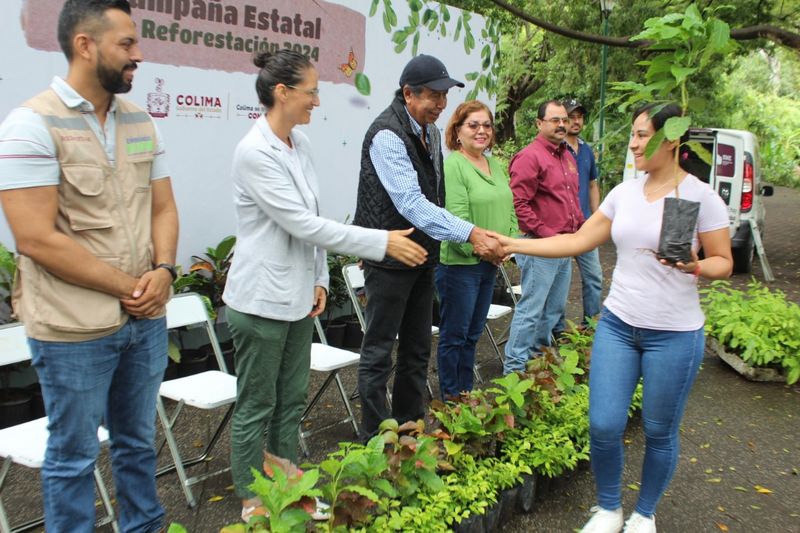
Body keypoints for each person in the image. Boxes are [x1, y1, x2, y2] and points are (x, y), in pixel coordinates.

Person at [491, 102, 732, 533]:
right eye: (634, 135)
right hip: (619, 326)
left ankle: (644, 514)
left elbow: (723, 263)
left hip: (675, 334)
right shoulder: (624, 194)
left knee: (659, 430)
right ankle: (608, 508)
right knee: (603, 423)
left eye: (643, 135)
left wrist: (695, 265)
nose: (634, 143)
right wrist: (514, 243)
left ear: (671, 139)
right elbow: (577, 240)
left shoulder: (700, 196)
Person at [222, 49, 427, 522]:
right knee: (257, 404)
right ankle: (254, 501)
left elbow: (312, 218)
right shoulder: (254, 152)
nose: (317, 99)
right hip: (259, 301)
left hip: (295, 296)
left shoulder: (301, 144)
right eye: (311, 90)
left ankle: (287, 486)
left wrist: (318, 277)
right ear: (282, 92)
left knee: (291, 400)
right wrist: (381, 242)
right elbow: (300, 224)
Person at [0, 1, 178, 531]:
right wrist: (134, 286)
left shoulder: (140, 120)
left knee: (138, 444)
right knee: (73, 459)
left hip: (143, 322)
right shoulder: (31, 123)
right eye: (126, 44)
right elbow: (35, 238)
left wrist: (165, 272)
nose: (138, 55)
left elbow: (164, 207)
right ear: (85, 44)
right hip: (72, 330)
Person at [352, 54, 504, 438]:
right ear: (408, 93)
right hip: (388, 258)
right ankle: (376, 439)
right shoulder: (386, 134)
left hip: (422, 257)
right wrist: (470, 233)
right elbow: (412, 203)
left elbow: (433, 196)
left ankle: (409, 427)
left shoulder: (431, 133)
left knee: (418, 349)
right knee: (379, 353)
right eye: (434, 95)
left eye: (444, 96)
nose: (441, 104)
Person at [435, 100, 517, 399]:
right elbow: (456, 218)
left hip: (491, 262)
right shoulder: (454, 165)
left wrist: (508, 244)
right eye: (473, 125)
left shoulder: (493, 163)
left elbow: (510, 206)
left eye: (487, 125)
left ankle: (465, 393)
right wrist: (486, 249)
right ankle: (450, 399)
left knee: (472, 334)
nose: (481, 131)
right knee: (455, 336)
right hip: (461, 264)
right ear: (457, 131)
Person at [503, 99, 584, 374]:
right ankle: (513, 371)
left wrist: (581, 230)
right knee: (531, 310)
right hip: (540, 246)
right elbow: (520, 204)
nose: (562, 124)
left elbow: (571, 201)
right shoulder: (530, 156)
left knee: (554, 310)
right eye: (555, 120)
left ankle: (537, 366)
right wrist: (550, 237)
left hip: (563, 246)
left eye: (564, 119)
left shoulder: (567, 156)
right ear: (539, 123)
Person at [559, 98, 603, 328]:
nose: (576, 121)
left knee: (594, 278)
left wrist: (596, 217)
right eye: (571, 117)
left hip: (586, 227)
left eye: (579, 117)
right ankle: (557, 330)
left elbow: (593, 184)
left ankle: (590, 327)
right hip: (561, 228)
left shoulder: (586, 150)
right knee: (560, 283)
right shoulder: (556, 149)